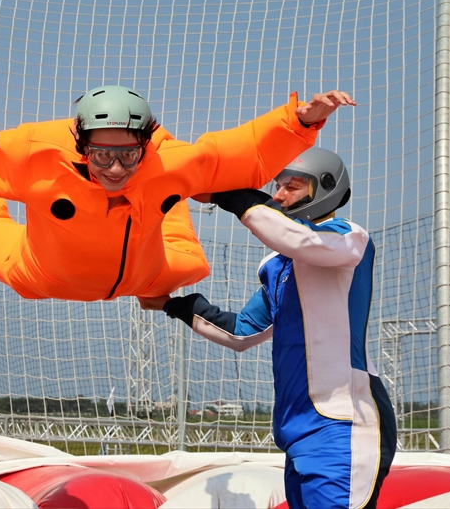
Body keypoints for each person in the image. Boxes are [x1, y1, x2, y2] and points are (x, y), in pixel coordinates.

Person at [0, 87, 355, 303]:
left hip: (147, 273)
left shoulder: (164, 162)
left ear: (145, 144)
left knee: (186, 231)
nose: (114, 168)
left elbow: (241, 153)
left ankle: (161, 220)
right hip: (38, 271)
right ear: (81, 144)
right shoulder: (39, 153)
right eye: (101, 155)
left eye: (128, 154)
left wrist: (300, 119)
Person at [150, 148, 396, 509]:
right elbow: (242, 332)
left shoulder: (348, 239)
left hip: (343, 425)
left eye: (291, 187)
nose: (279, 196)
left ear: (325, 190)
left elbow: (299, 239)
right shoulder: (278, 266)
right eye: (276, 187)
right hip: (295, 430)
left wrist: (223, 193)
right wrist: (172, 304)